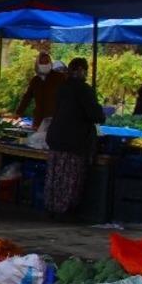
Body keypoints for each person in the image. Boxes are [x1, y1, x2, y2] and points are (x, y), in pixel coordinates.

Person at [46, 57, 104, 216]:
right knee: (69, 178)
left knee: (56, 176)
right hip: (74, 140)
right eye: (84, 70)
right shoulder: (84, 90)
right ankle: (64, 210)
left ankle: (53, 207)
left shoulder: (62, 88)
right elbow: (96, 115)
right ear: (80, 70)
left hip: (57, 138)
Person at [15, 51, 65, 128]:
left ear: (50, 63)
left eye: (47, 62)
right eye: (42, 62)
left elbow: (67, 96)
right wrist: (18, 112)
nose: (44, 65)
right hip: (39, 119)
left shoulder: (60, 77)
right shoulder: (35, 80)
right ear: (37, 64)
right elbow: (27, 97)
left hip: (55, 118)